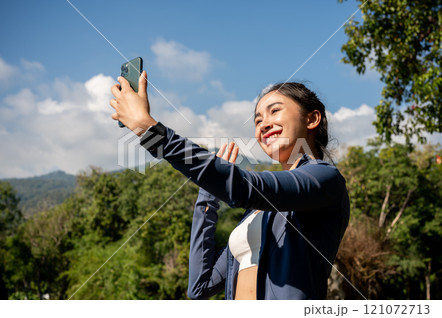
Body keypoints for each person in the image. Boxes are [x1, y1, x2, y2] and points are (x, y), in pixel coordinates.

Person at [109, 71, 350, 300]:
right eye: (258, 120)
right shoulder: (256, 214)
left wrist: (148, 129)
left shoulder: (324, 178)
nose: (264, 124)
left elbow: (245, 187)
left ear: (312, 118)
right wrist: (209, 194)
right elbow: (199, 288)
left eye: (274, 111)